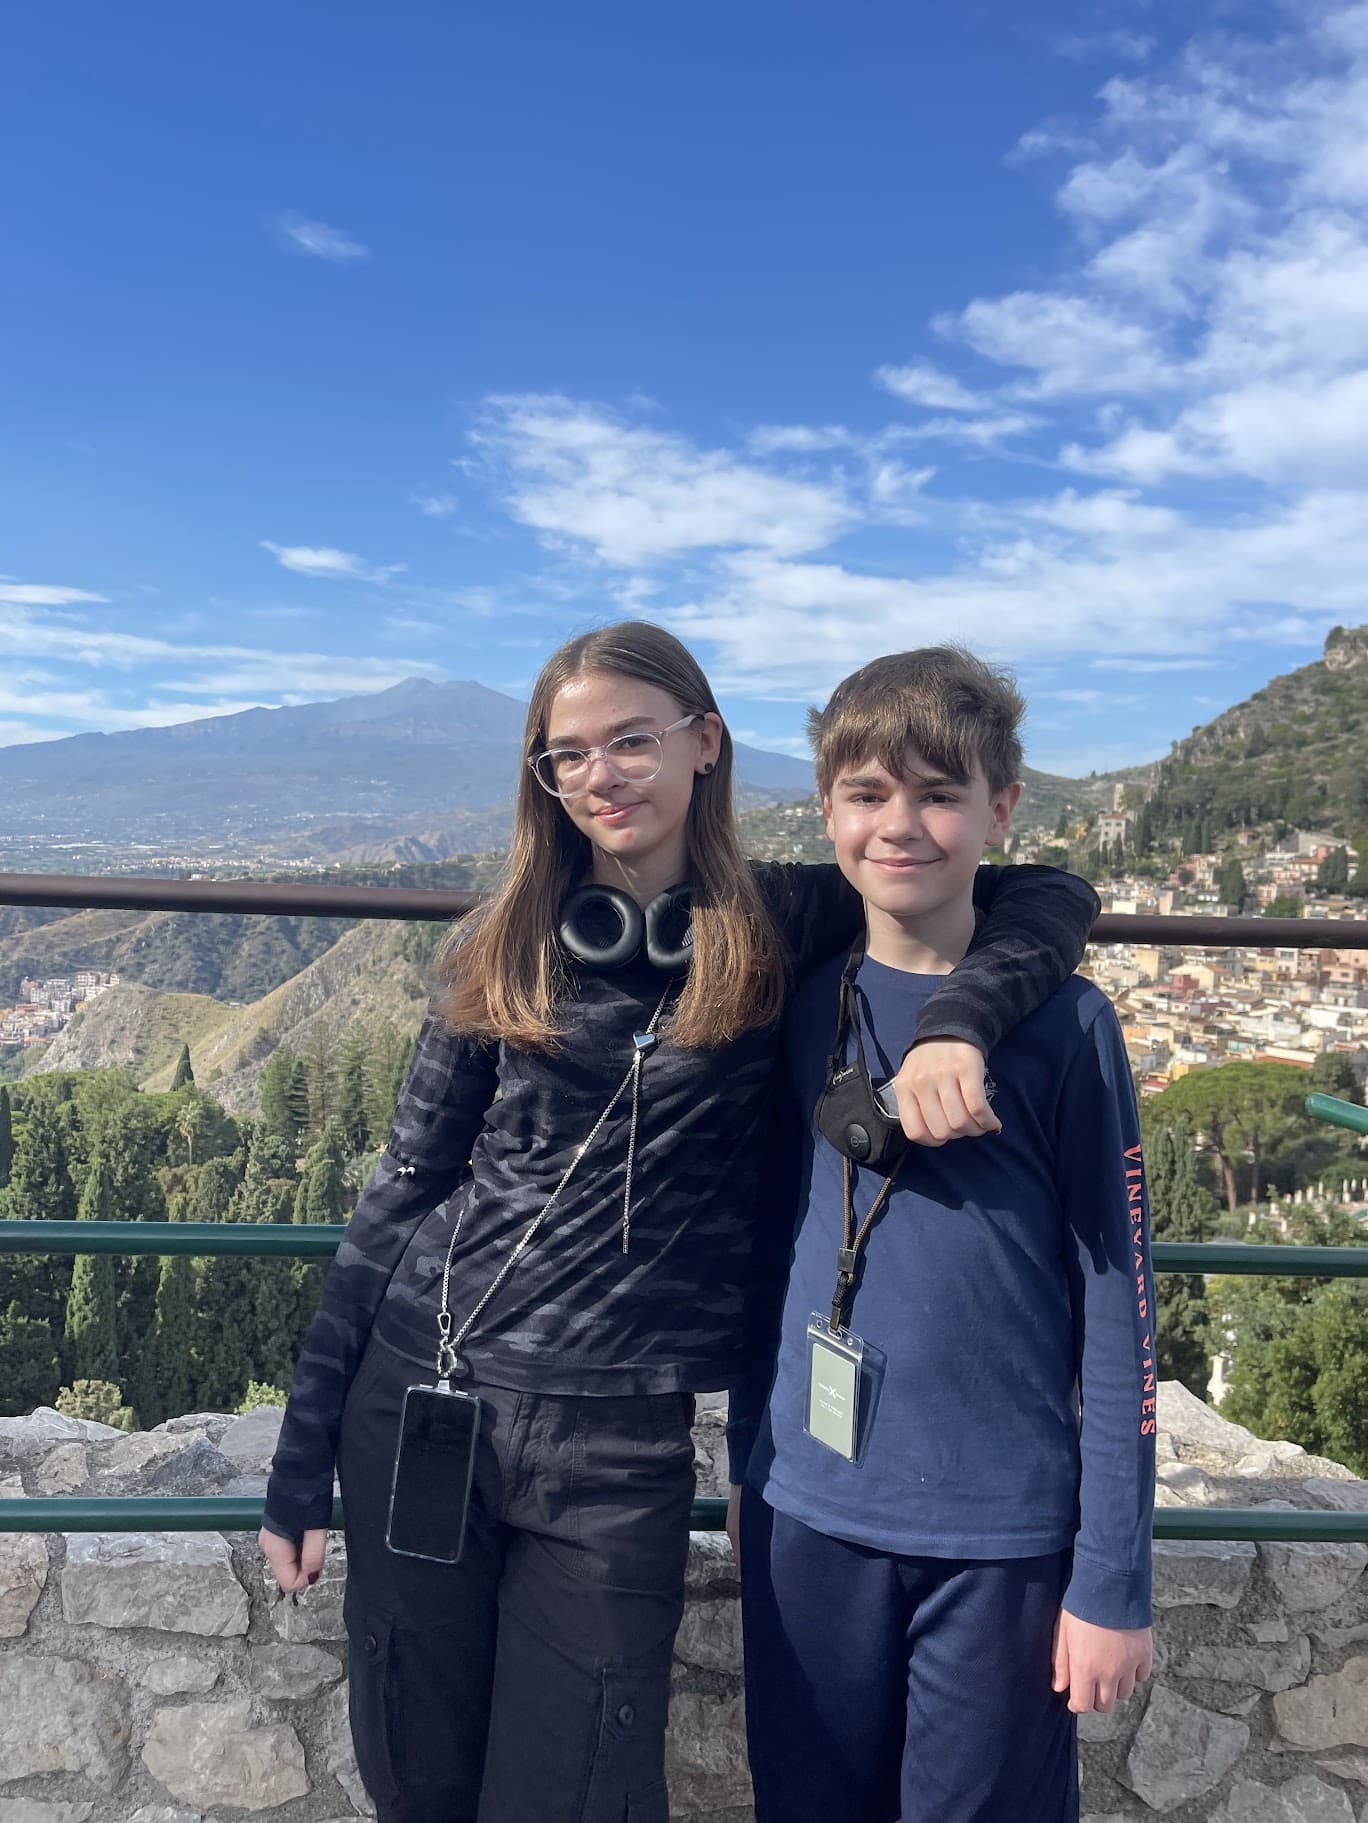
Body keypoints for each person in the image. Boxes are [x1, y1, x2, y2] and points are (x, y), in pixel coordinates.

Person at [256, 622, 1100, 1823]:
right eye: (569, 755)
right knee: (417, 1770)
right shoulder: (493, 947)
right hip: (424, 1397)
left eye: (634, 740)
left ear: (706, 743)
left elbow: (1050, 896)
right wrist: (300, 1462)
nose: (602, 774)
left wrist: (960, 1019)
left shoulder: (782, 918)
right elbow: (399, 1193)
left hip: (618, 1443)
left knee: (585, 1786)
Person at [729, 646, 1155, 1823]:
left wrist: (1112, 1576)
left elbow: (1121, 1309)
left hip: (1000, 1540)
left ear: (1001, 809)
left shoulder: (1070, 1026)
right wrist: (745, 1469)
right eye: (867, 794)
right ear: (826, 810)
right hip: (805, 1515)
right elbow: (776, 1240)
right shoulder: (805, 999)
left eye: (939, 793)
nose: (899, 824)